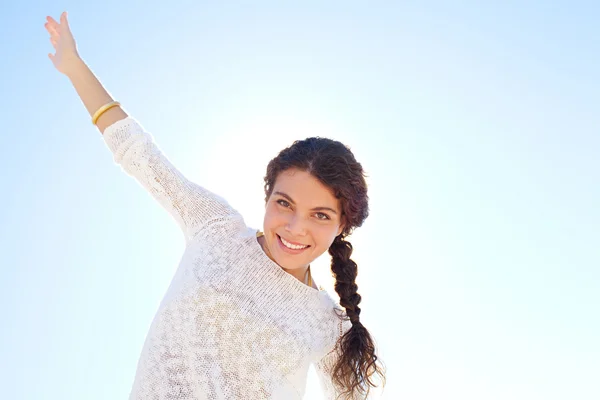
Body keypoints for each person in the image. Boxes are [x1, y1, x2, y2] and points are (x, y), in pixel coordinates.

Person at [44, 11, 385, 400]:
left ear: (343, 224)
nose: (294, 227)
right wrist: (73, 66)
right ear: (268, 196)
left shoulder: (328, 325)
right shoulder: (216, 228)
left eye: (320, 215)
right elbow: (137, 152)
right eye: (284, 203)